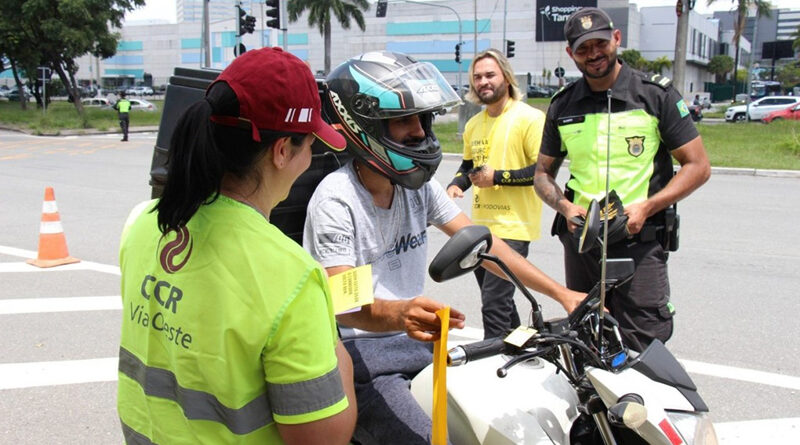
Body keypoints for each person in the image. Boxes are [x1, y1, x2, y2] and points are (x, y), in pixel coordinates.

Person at [304, 51, 585, 445]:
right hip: (363, 358)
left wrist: (562, 294)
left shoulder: (417, 187)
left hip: (420, 346)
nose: (419, 131)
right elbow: (345, 304)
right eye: (403, 120)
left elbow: (486, 246)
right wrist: (401, 312)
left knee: (503, 419)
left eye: (423, 118)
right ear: (365, 125)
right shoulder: (337, 199)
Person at [117, 47, 356, 445]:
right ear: (282, 152)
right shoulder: (291, 276)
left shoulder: (142, 222)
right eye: (309, 143)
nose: (310, 157)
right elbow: (323, 438)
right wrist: (336, 350)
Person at [533, 7, 711, 352]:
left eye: (600, 43)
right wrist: (565, 206)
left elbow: (697, 166)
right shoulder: (563, 105)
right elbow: (542, 173)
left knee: (644, 341)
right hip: (583, 243)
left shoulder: (654, 95)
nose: (593, 54)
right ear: (571, 54)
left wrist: (648, 206)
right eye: (582, 49)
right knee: (586, 339)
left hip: (638, 242)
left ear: (617, 39)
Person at [446, 49, 546, 339]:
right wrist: (456, 184)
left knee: (494, 303)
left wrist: (498, 178)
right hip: (481, 228)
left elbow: (540, 172)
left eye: (490, 75)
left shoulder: (529, 118)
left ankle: (495, 365)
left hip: (514, 227)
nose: (483, 82)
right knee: (500, 301)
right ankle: (522, 346)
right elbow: (468, 165)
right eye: (477, 77)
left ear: (505, 76)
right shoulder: (475, 123)